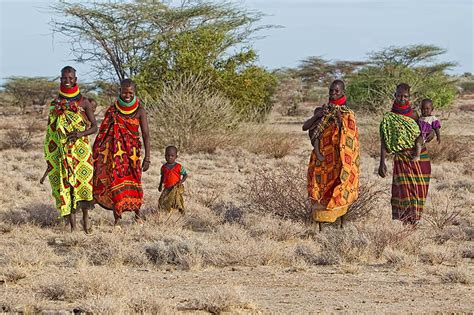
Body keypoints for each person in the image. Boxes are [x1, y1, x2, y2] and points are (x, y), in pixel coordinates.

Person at [43, 66, 97, 233]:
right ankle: (73, 228)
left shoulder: (84, 102)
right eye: (64, 78)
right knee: (67, 188)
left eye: (70, 78)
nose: (67, 81)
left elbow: (95, 127)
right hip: (62, 153)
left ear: (75, 80)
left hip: (81, 154)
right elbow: (51, 133)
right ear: (60, 80)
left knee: (83, 186)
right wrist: (51, 155)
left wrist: (80, 133)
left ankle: (86, 220)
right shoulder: (56, 104)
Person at [92, 78, 150, 226]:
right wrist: (98, 151)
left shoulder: (139, 111)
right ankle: (117, 219)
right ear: (120, 91)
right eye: (124, 92)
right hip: (114, 155)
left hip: (133, 155)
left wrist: (147, 157)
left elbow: (145, 134)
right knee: (115, 184)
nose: (127, 95)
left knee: (135, 182)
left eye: (130, 92)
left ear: (135, 92)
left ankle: (138, 214)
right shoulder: (113, 110)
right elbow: (103, 132)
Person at [303, 80, 360, 230]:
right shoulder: (321, 110)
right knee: (320, 187)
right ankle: (320, 226)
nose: (333, 94)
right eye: (331, 91)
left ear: (343, 93)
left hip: (339, 158)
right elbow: (306, 127)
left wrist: (340, 120)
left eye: (337, 91)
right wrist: (318, 116)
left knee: (339, 186)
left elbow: (350, 138)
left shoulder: (348, 114)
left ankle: (340, 222)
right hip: (321, 156)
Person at [379, 83, 433, 224]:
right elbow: (384, 140)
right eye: (399, 95)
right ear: (395, 95)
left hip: (419, 157)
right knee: (403, 191)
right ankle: (405, 221)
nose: (402, 98)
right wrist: (382, 162)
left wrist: (430, 135)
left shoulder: (414, 114)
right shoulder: (389, 117)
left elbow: (425, 132)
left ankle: (414, 220)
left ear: (409, 97)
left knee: (419, 189)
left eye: (405, 96)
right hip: (401, 158)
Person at [158, 146, 188, 214]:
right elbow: (162, 177)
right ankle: (164, 212)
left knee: (177, 201)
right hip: (167, 188)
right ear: (165, 156)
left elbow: (185, 175)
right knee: (162, 200)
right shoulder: (163, 167)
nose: (170, 157)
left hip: (175, 187)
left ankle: (181, 212)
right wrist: (160, 185)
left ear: (176, 156)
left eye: (172, 155)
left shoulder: (179, 167)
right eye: (167, 155)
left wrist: (181, 181)